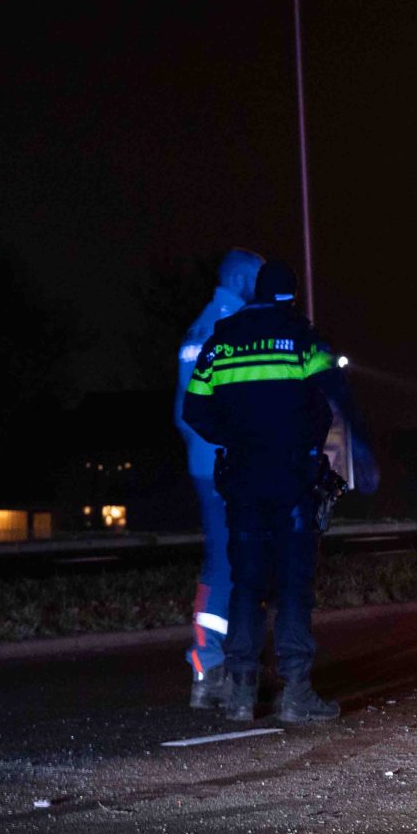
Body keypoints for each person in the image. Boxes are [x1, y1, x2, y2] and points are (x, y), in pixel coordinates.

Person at [183, 260, 357, 723]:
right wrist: (307, 430)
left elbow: (195, 409)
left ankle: (242, 693)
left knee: (247, 584)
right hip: (293, 478)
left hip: (242, 479)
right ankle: (295, 691)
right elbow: (333, 390)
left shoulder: (222, 339)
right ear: (291, 296)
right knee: (294, 586)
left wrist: (237, 436)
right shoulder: (300, 336)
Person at [175, 249, 263, 709]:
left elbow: (182, 412)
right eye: (256, 277)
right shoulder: (228, 331)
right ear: (240, 278)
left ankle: (208, 668)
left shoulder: (198, 327)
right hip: (229, 466)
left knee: (220, 566)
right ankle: (223, 669)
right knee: (238, 567)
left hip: (204, 463)